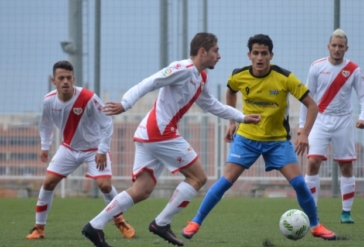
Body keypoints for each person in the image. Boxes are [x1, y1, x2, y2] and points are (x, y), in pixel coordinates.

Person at [81, 32, 261, 247]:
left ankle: (95, 225)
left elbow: (210, 104)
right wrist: (125, 103)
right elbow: (152, 81)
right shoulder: (182, 68)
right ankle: (161, 223)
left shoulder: (201, 77)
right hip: (159, 132)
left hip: (150, 133)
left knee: (142, 191)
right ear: (203, 52)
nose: (219, 56)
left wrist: (241, 117)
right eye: (216, 51)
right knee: (198, 178)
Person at [181, 34, 337, 241]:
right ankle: (195, 222)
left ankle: (316, 226)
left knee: (299, 184)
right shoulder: (239, 75)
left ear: (271, 55)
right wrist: (232, 122)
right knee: (225, 181)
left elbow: (312, 105)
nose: (260, 57)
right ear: (249, 55)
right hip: (246, 139)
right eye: (256, 53)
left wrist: (304, 133)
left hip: (277, 141)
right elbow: (230, 93)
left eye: (264, 53)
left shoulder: (285, 77)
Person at [26, 60, 136, 240]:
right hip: (69, 148)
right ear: (54, 81)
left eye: (69, 78)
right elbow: (45, 125)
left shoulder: (88, 98)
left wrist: (102, 150)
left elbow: (107, 123)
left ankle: (120, 221)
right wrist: (45, 146)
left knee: (105, 186)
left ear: (74, 78)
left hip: (94, 149)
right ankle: (39, 228)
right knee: (48, 183)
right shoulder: (49, 101)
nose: (65, 82)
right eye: (61, 78)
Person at [299, 29, 364, 224]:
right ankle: (312, 211)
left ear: (346, 48)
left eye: (341, 46)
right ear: (328, 46)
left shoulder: (354, 69)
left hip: (344, 121)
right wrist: (301, 126)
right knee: (313, 163)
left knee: (346, 166)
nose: (337, 49)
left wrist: (363, 117)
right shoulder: (316, 67)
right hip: (320, 119)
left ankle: (346, 212)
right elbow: (306, 98)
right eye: (334, 45)